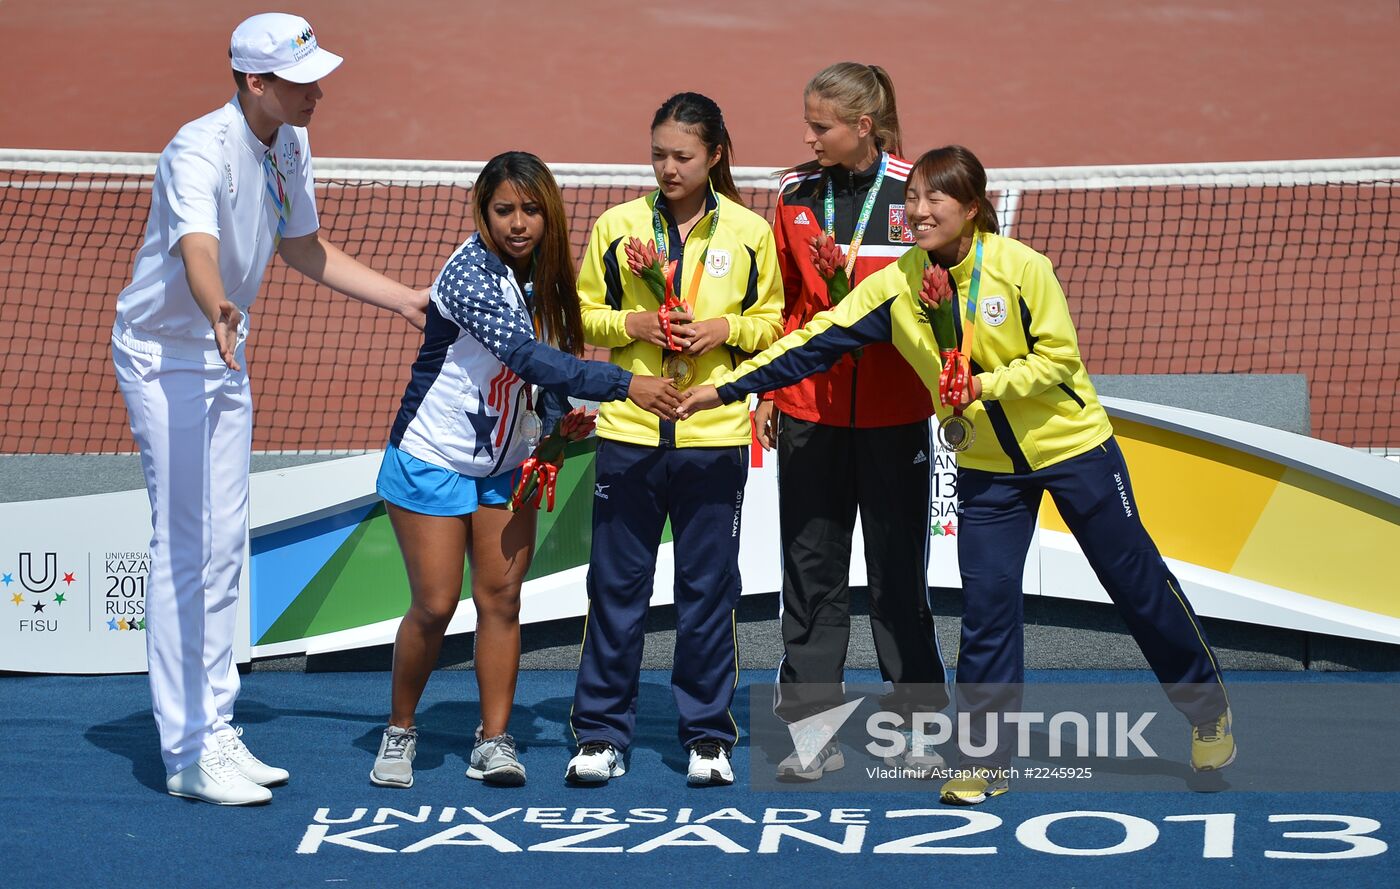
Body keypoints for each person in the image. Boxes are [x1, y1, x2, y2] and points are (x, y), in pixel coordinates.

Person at [678, 144, 1235, 805]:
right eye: (912, 197)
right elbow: (812, 339)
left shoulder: (1022, 269)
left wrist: (983, 384)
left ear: (973, 208)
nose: (917, 209)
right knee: (988, 611)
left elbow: (1058, 361)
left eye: (935, 198)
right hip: (987, 472)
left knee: (1136, 584)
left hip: (1072, 450)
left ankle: (1206, 710)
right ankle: (983, 759)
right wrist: (731, 387)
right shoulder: (896, 285)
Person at [111, 13, 429, 806]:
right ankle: (185, 751)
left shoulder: (287, 139)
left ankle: (216, 728)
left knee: (224, 545)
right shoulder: (197, 149)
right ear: (256, 82)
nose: (317, 89)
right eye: (300, 78)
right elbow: (198, 247)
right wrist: (217, 304)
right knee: (185, 547)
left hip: (223, 354)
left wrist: (404, 301)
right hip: (166, 356)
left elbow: (301, 247)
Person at [369, 152, 681, 789]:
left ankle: (494, 741)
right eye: (504, 210)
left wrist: (559, 419)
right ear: (483, 213)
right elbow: (529, 357)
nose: (518, 224)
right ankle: (400, 730)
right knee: (433, 605)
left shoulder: (545, 272)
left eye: (531, 210)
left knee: (501, 599)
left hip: (507, 463)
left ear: (548, 213)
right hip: (433, 455)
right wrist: (628, 385)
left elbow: (552, 368)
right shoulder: (469, 277)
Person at [565, 92, 784, 787]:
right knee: (616, 589)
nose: (666, 167)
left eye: (681, 156)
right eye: (658, 153)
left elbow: (776, 326)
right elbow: (581, 317)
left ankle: (708, 736)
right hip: (629, 434)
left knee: (707, 592)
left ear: (714, 155)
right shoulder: (617, 225)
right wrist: (633, 327)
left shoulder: (750, 232)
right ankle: (600, 733)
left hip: (713, 436)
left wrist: (727, 331)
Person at [763, 62, 947, 781]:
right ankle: (812, 730)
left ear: (863, 126)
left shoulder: (917, 192)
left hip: (896, 412)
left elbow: (946, 294)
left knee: (899, 574)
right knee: (811, 574)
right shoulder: (793, 193)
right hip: (811, 410)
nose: (808, 138)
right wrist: (771, 392)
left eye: (821, 126)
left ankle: (919, 724)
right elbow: (783, 306)